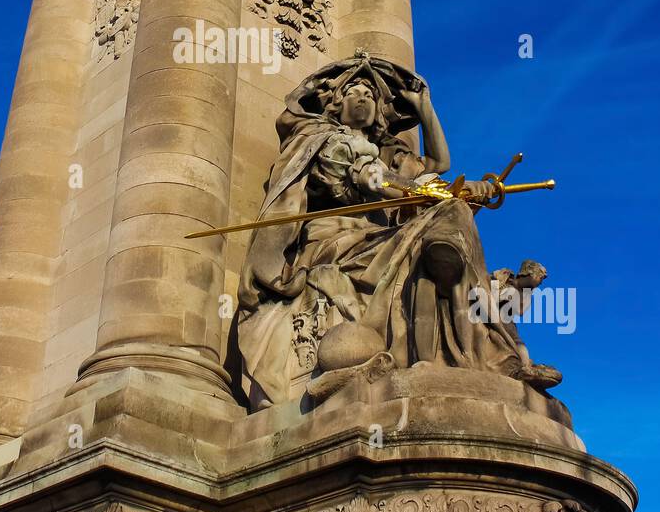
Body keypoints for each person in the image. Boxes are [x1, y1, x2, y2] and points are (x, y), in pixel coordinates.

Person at [236, 51, 554, 408]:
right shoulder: (322, 139)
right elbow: (368, 176)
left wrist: (426, 112)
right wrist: (433, 192)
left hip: (379, 241)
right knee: (446, 213)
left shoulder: (388, 151)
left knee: (453, 215)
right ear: (336, 105)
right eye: (355, 92)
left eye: (371, 96)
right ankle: (443, 256)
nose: (364, 99)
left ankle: (502, 359)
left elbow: (438, 165)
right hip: (334, 242)